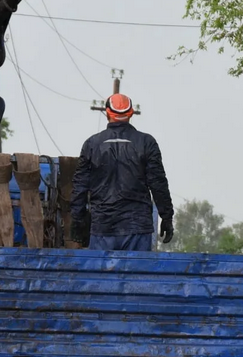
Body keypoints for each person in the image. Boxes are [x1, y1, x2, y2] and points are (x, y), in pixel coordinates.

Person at [70, 93, 174, 251]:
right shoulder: (147, 143)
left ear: (107, 113)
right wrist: (166, 216)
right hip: (138, 228)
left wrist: (77, 221)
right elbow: (158, 183)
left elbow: (80, 187)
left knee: (102, 275)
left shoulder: (91, 144)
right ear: (131, 113)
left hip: (102, 228)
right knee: (137, 275)